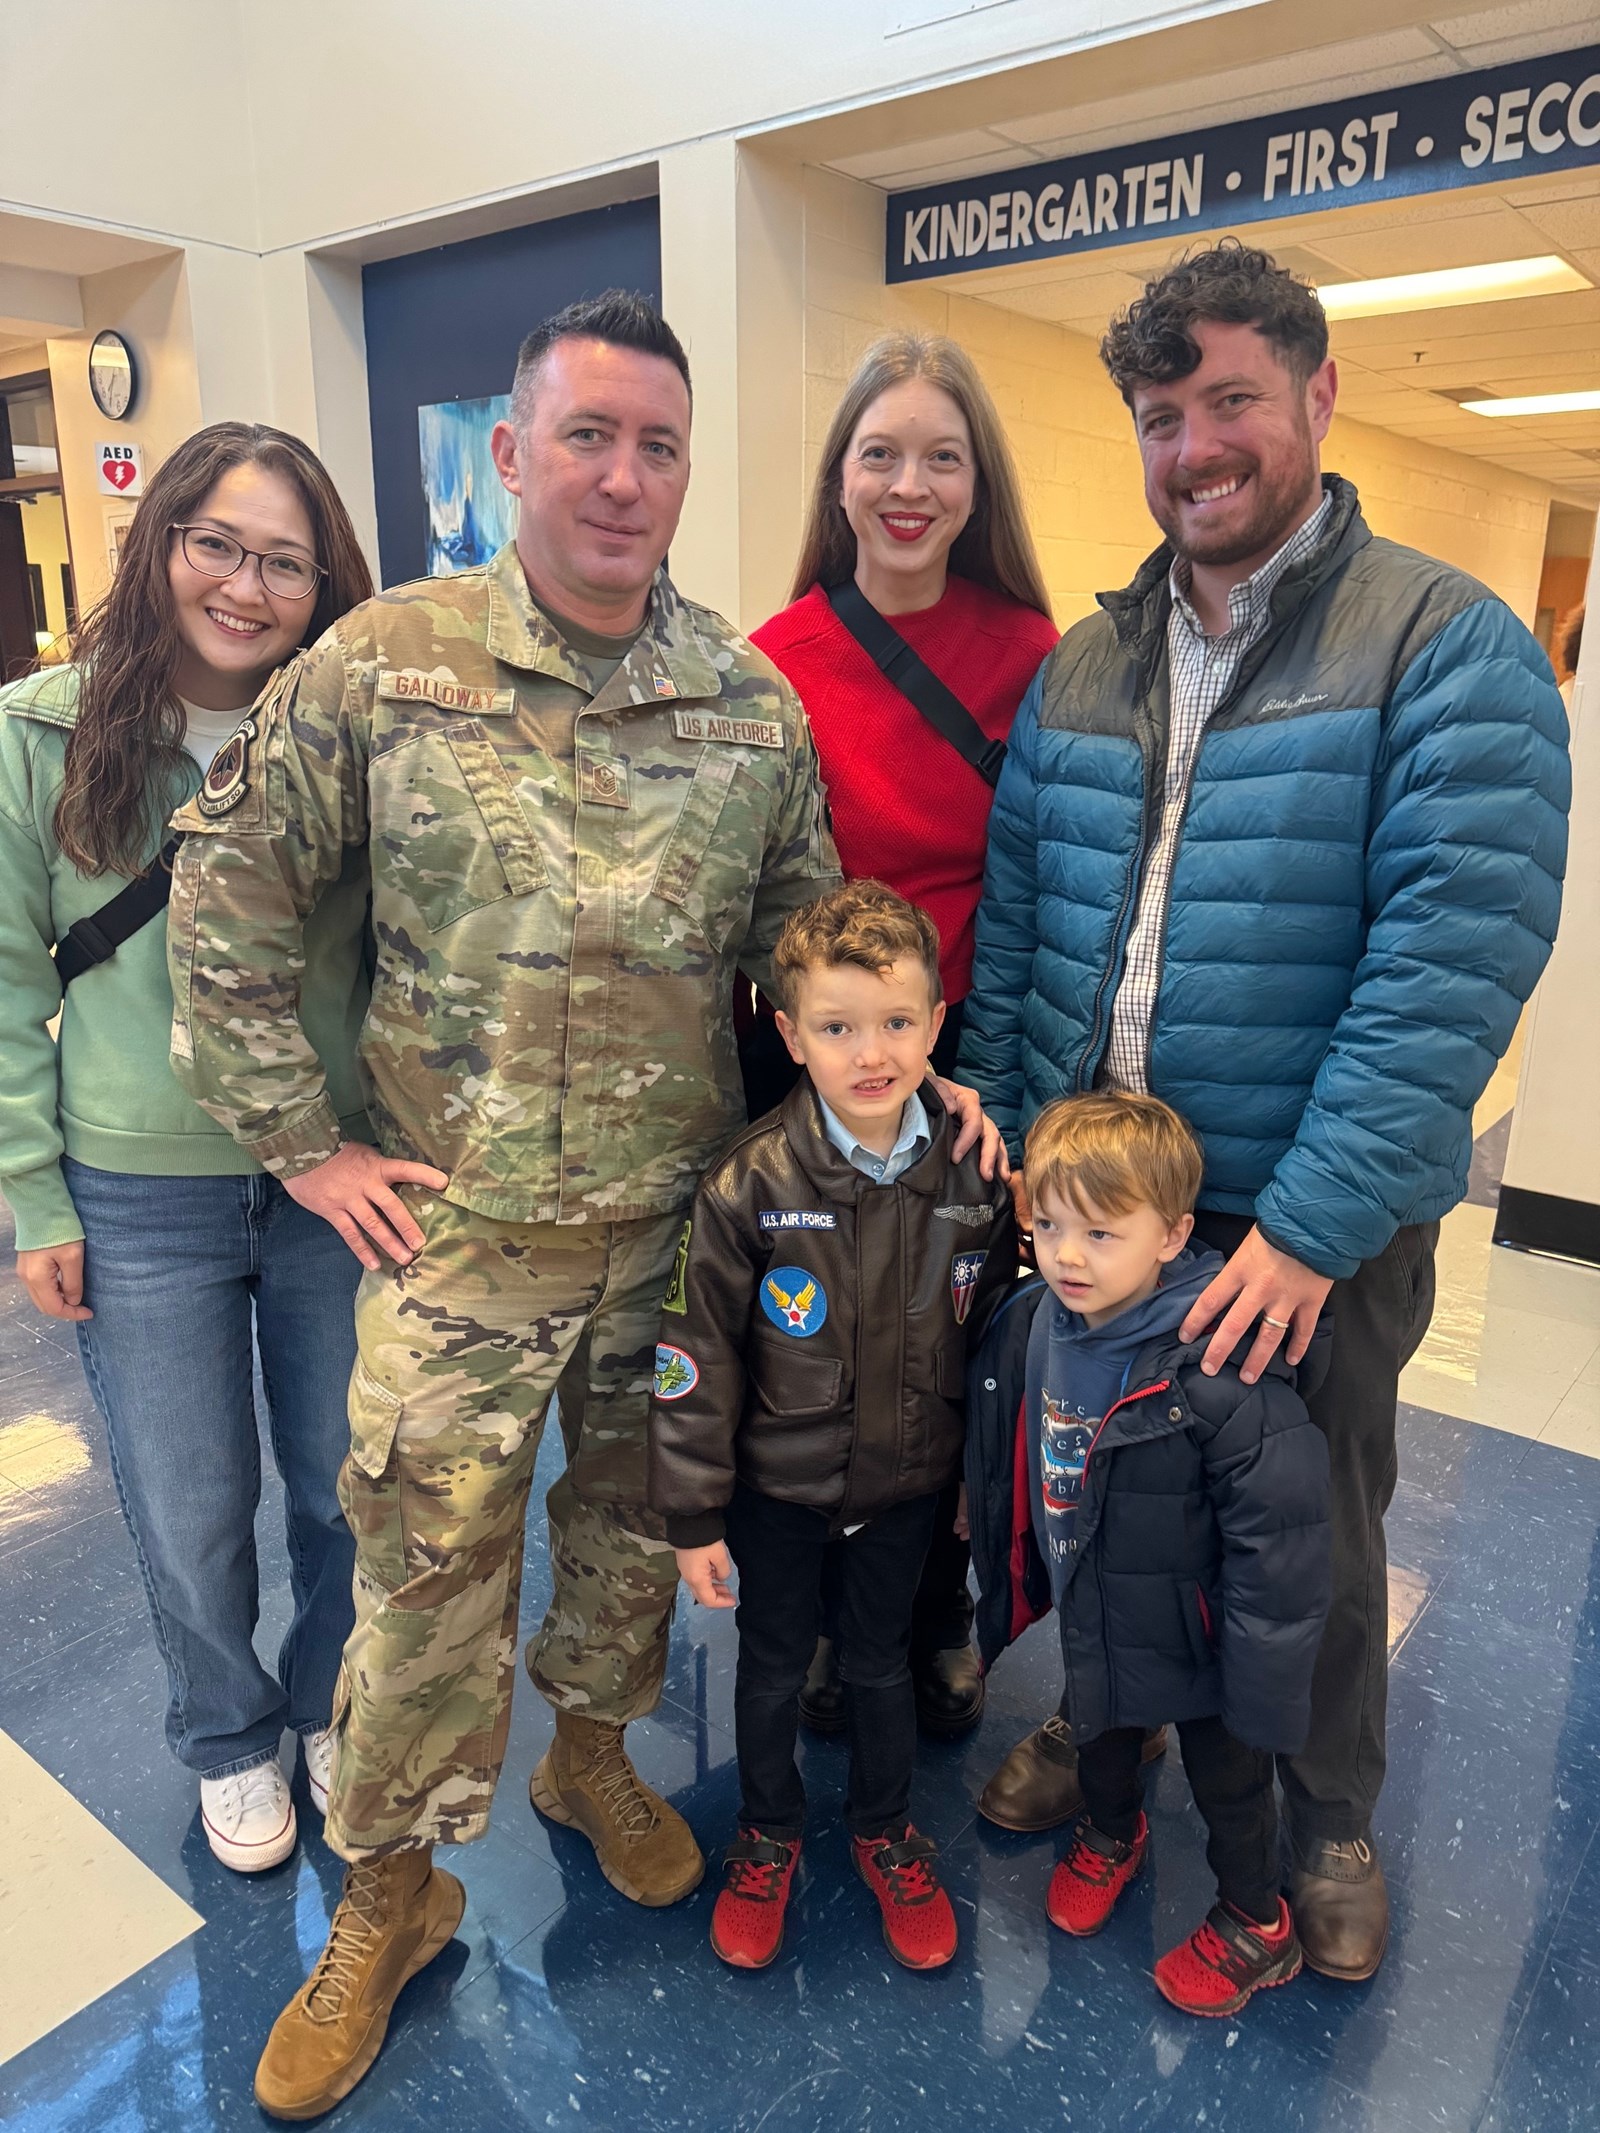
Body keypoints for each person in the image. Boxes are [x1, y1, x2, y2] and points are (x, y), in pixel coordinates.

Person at [166, 292, 999, 2121]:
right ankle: (387, 1892)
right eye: (590, 438)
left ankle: (594, 1760)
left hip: (670, 1248)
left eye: (660, 446)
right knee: (421, 1581)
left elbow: (811, 946)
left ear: (688, 472)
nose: (625, 478)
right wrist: (303, 1143)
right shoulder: (388, 665)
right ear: (511, 455)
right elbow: (224, 894)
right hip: (454, 1244)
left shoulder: (745, 698)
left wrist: (907, 1076)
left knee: (635, 1535)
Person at [960, 239, 1570, 1982]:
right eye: (1163, 416)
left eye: (1230, 398)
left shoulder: (1444, 648)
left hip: (1304, 1224)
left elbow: (1450, 961)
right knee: (1104, 1502)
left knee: (1310, 1529)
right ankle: (1111, 1737)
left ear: (1316, 394)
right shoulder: (1091, 662)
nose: (1195, 445)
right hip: (1102, 1209)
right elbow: (1012, 932)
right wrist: (1016, 1159)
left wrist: (1308, 1226)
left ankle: (1329, 1813)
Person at [0, 423, 374, 1871]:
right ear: (157, 543)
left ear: (323, 583)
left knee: (346, 1476)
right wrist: (35, 1194)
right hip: (137, 1191)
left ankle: (338, 1701)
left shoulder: (350, 732)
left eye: (285, 559)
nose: (246, 584)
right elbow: (10, 983)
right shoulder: (41, 731)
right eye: (215, 542)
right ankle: (227, 1736)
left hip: (326, 1185)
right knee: (187, 1496)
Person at [748, 332, 1058, 1739]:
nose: (910, 483)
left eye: (943, 455)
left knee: (941, 1361)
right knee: (814, 1361)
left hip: (968, 1067)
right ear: (842, 477)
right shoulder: (775, 661)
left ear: (978, 480)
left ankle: (939, 1617)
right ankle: (807, 1623)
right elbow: (751, 887)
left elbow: (1053, 875)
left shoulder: (1035, 655)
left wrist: (964, 1058)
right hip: (811, 1068)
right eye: (882, 453)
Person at [649, 882, 1014, 1972]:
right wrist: (691, 1516)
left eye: (898, 1023)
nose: (871, 1053)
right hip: (776, 1497)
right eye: (839, 1026)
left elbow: (991, 1343)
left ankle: (885, 1829)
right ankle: (765, 1837)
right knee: (769, 1671)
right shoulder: (746, 1183)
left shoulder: (973, 1179)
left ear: (936, 1024)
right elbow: (693, 1359)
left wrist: (971, 1483)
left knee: (879, 1668)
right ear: (787, 1030)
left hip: (908, 1490)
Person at [965, 1092, 1330, 2016]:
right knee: (1100, 1736)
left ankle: (1259, 1923)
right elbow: (1012, 1423)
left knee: (1230, 1787)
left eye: (1099, 1231)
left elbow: (1280, 1537)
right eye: (1047, 1225)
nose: (1067, 1255)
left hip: (1200, 1639)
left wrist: (1261, 1677)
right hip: (1096, 1602)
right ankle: (1109, 1831)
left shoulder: (1218, 1362)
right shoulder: (1039, 1317)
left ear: (1171, 1234)